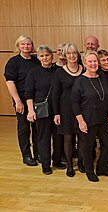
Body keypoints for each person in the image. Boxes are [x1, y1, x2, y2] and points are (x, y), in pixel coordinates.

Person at [71, 50, 108, 182]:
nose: (93, 64)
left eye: (95, 61)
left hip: (103, 118)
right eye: (90, 61)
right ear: (84, 63)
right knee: (88, 146)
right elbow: (74, 103)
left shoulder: (102, 77)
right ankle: (89, 171)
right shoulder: (80, 81)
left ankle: (101, 167)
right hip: (87, 119)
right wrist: (80, 121)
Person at [25, 45, 64, 174]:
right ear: (38, 57)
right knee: (44, 138)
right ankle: (46, 165)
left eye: (47, 55)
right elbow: (29, 93)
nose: (45, 58)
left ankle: (57, 160)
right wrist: (30, 110)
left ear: (52, 56)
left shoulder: (58, 70)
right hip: (42, 110)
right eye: (41, 56)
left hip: (57, 110)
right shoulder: (33, 73)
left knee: (58, 137)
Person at [4, 35, 40, 166]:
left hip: (37, 100)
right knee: (24, 128)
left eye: (29, 44)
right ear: (18, 46)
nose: (26, 46)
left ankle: (38, 153)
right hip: (22, 100)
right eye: (23, 44)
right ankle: (27, 155)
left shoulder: (36, 60)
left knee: (38, 128)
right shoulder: (13, 62)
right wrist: (18, 101)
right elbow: (10, 82)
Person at [52, 43, 84, 177]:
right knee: (68, 137)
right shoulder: (59, 71)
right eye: (69, 53)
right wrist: (56, 113)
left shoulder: (84, 69)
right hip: (65, 109)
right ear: (65, 55)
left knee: (83, 137)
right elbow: (55, 94)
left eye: (74, 53)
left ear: (78, 54)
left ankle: (82, 163)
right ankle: (70, 166)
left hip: (83, 108)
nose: (72, 56)